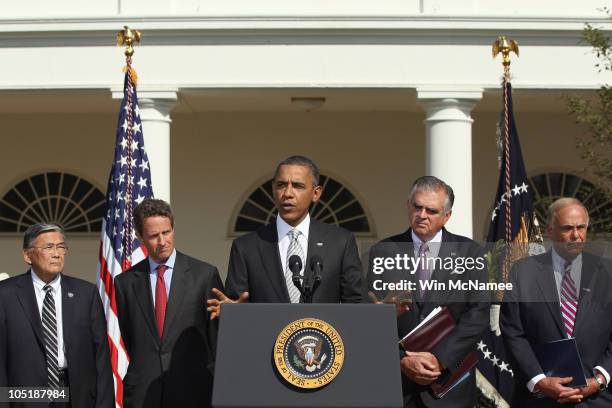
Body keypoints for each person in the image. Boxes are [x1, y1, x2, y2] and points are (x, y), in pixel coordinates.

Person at [366, 176, 489, 408]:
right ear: (408, 205)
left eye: (431, 210)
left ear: (447, 216)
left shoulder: (470, 253)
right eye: (417, 207)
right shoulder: (383, 251)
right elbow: (371, 315)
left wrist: (440, 358)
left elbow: (478, 315)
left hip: (449, 386)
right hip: (397, 385)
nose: (422, 215)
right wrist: (401, 359)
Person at [209, 155, 364, 315]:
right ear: (273, 189)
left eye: (298, 186)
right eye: (281, 185)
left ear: (316, 193)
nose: (288, 193)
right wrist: (231, 312)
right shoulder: (246, 247)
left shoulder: (340, 242)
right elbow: (236, 303)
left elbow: (356, 304)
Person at [501, 198, 612, 407]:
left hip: (597, 398)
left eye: (581, 228)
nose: (576, 235)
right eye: (567, 228)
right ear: (550, 231)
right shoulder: (523, 272)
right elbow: (513, 331)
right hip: (539, 399)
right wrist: (540, 381)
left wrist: (599, 379)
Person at [114, 199, 224, 408]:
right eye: (154, 236)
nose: (162, 241)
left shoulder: (204, 275)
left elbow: (215, 339)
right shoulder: (125, 283)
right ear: (140, 237)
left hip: (194, 391)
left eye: (167, 232)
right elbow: (131, 338)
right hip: (144, 394)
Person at [0, 223, 114, 408]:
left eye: (61, 246)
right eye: (48, 247)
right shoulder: (5, 295)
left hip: (76, 396)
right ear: (28, 255)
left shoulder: (86, 294)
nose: (56, 253)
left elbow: (101, 359)